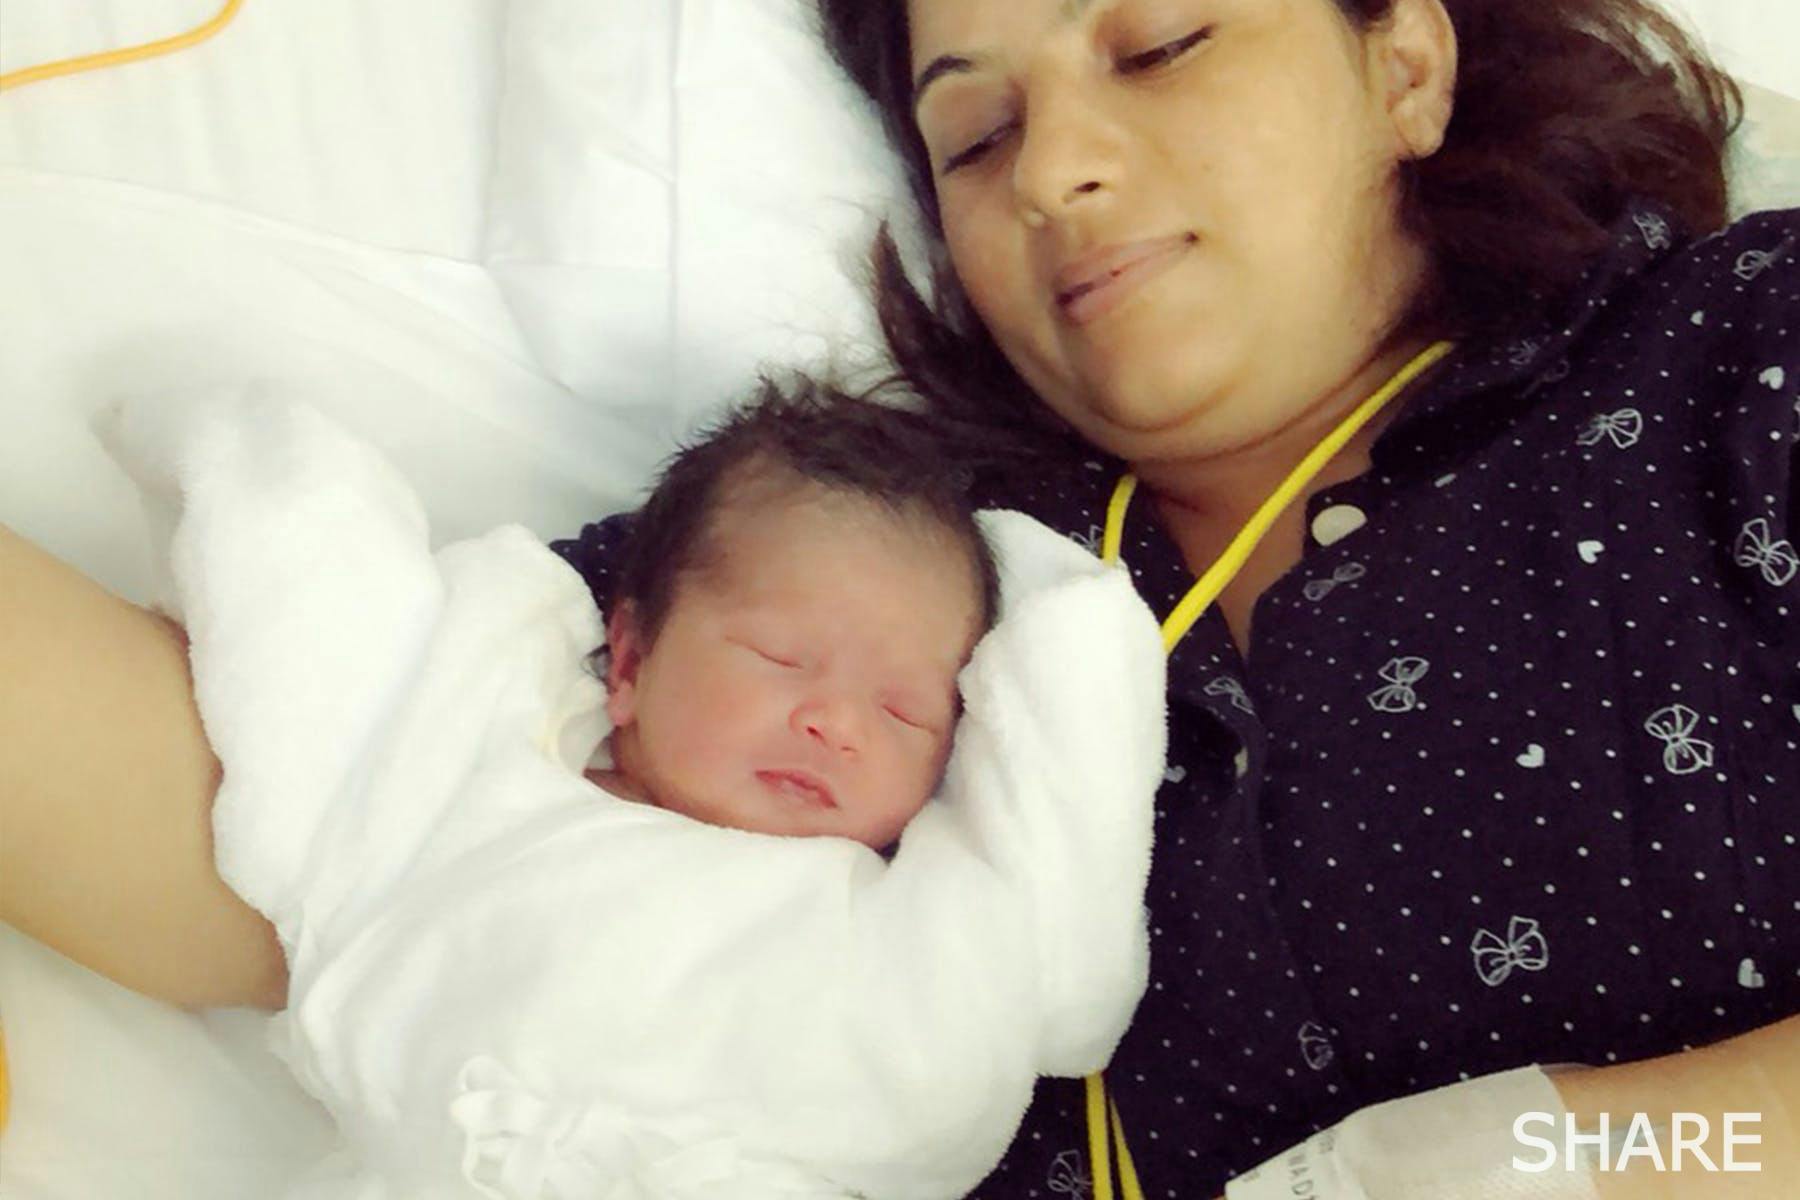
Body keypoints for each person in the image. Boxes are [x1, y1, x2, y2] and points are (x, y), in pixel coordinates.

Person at [572, 0, 1800, 1194]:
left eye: (1160, 48)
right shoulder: (861, 545)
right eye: (979, 138)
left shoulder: (1739, 361)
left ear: (1405, 68)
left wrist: (1567, 1160)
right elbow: (464, 685)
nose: (1048, 173)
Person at [2, 377, 1164, 1197]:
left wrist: (1068, 622)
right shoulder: (478, 768)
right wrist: (240, 460)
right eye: (781, 659)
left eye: (905, 712)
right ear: (632, 660)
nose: (836, 721)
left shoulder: (921, 931)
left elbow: (1062, 929)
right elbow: (327, 638)